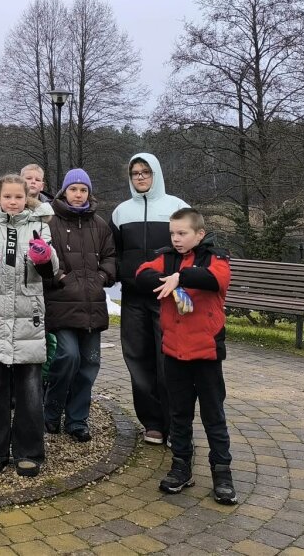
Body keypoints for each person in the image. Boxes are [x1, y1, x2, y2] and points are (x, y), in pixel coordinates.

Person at [134, 208, 236, 505]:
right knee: (178, 414)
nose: (176, 239)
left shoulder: (216, 257)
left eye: (182, 233)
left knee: (213, 415)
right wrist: (168, 276)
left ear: (199, 234)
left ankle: (222, 472)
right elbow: (142, 274)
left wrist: (180, 278)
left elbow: (216, 280)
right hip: (174, 353)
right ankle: (181, 466)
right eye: (172, 234)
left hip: (206, 354)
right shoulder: (166, 258)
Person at [0, 173, 57, 477]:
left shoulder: (40, 225)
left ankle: (29, 452)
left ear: (27, 198)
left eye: (18, 197)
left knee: (30, 390)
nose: (13, 202)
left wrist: (45, 258)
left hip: (30, 317)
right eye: (7, 197)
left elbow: (53, 269)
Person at [109, 152, 189, 446]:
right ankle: (153, 424)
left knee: (170, 360)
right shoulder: (121, 212)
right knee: (138, 359)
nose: (140, 177)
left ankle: (176, 426)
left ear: (156, 173)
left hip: (168, 297)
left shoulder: (177, 207)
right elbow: (114, 253)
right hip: (133, 298)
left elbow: (191, 248)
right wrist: (121, 273)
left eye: (146, 172)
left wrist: (181, 278)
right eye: (135, 173)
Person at [43, 169, 116, 442]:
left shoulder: (99, 224)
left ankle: (77, 420)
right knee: (68, 356)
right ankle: (51, 411)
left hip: (92, 306)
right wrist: (61, 278)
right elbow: (41, 257)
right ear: (64, 192)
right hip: (61, 303)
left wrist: (102, 277)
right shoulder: (50, 221)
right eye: (73, 189)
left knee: (89, 364)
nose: (78, 194)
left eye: (83, 190)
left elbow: (110, 257)